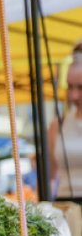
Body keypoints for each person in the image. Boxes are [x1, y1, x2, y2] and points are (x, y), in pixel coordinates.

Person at [48, 46, 82, 199]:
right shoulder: (58, 124)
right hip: (66, 208)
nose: (74, 96)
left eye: (81, 87)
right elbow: (50, 177)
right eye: (70, 87)